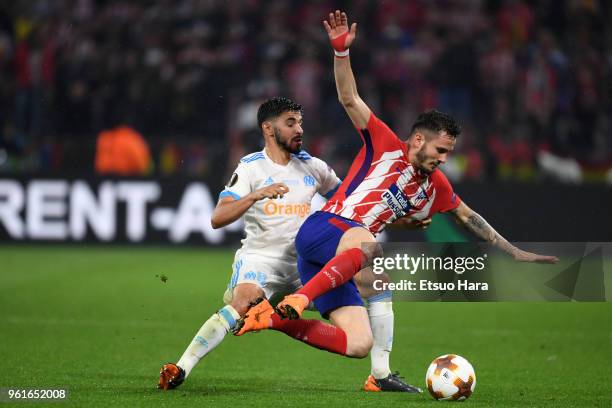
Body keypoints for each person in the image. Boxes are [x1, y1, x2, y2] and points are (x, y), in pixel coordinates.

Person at [237, 10, 558, 391]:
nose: (443, 159)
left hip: (343, 257)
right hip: (325, 229)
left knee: (359, 339)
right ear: (419, 139)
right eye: (440, 150)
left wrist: (514, 251)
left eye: (449, 153)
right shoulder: (385, 143)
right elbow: (348, 96)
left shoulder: (436, 185)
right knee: (371, 246)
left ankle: (293, 329)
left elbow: (469, 217)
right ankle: (300, 299)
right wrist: (341, 53)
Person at [158, 97, 424, 392]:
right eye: (291, 123)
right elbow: (218, 218)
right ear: (268, 129)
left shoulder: (314, 167)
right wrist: (255, 196)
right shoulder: (250, 168)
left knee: (364, 328)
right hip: (261, 261)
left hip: (305, 266)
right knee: (243, 301)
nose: (299, 129)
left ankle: (378, 374)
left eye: (300, 122)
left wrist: (401, 222)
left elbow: (353, 206)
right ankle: (180, 367)